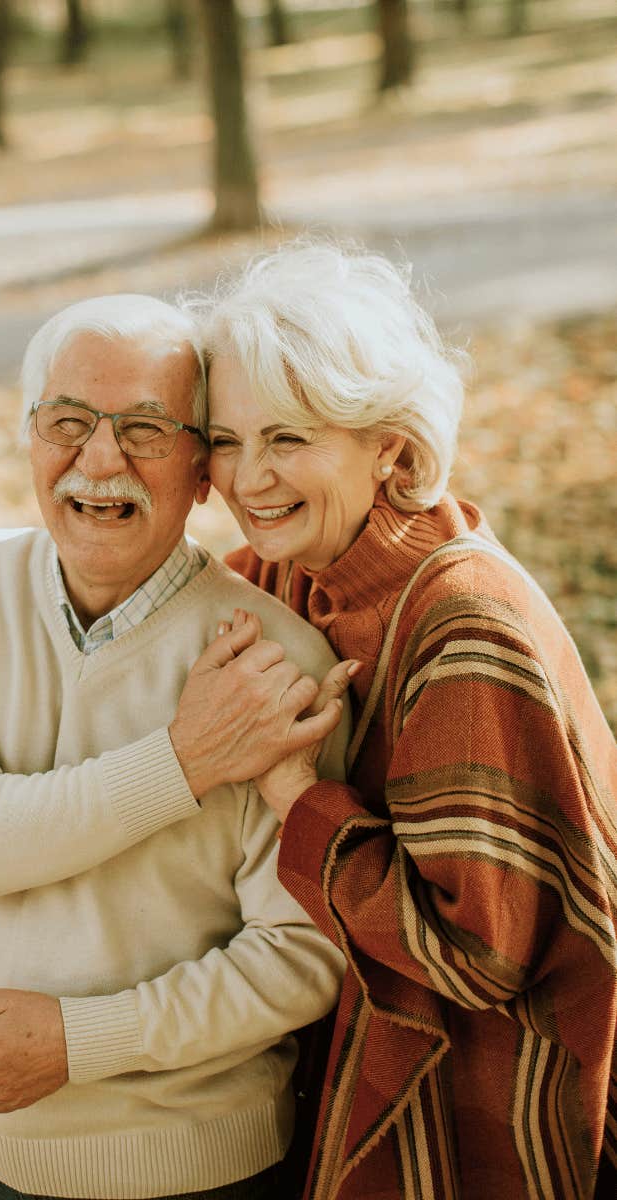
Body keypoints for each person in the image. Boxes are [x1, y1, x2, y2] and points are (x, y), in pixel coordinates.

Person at [0, 292, 354, 1200]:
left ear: (202, 469)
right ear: (29, 437)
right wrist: (183, 761)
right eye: (69, 421)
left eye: (144, 428)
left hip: (199, 1165)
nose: (100, 460)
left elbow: (302, 958)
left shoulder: (273, 664)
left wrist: (80, 1042)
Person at [196, 240, 617, 1200]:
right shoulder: (293, 571)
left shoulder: (463, 624)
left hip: (495, 1091)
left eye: (288, 438)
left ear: (390, 444)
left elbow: (483, 957)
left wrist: (293, 792)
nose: (249, 478)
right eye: (226, 440)